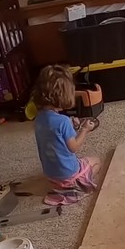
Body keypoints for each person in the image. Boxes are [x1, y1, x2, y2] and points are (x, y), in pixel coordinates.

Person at [32, 65, 100, 206]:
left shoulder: (38, 119)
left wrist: (71, 126)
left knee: (79, 161)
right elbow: (73, 148)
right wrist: (84, 130)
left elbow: (54, 136)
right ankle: (74, 186)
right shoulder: (63, 121)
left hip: (51, 176)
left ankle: (61, 187)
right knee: (96, 161)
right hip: (67, 174)